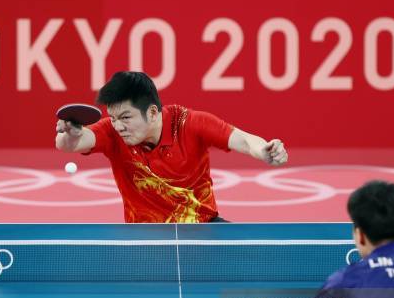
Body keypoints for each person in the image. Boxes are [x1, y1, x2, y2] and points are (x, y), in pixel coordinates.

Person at [55, 71, 288, 223]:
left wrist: (264, 151)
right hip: (144, 241)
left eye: (125, 117)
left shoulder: (191, 123)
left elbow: (244, 140)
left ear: (153, 112)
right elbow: (73, 143)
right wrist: (68, 133)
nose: (118, 126)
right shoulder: (112, 132)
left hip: (203, 231)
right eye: (113, 118)